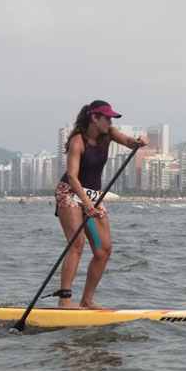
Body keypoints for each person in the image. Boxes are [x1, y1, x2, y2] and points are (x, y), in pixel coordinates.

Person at [53, 100, 149, 309]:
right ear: (94, 118)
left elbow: (128, 141)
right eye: (107, 118)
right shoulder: (78, 141)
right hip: (69, 192)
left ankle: (87, 300)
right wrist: (85, 202)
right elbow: (72, 175)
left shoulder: (109, 134)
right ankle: (64, 299)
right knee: (77, 244)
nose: (110, 121)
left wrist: (139, 141)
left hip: (93, 195)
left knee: (103, 250)